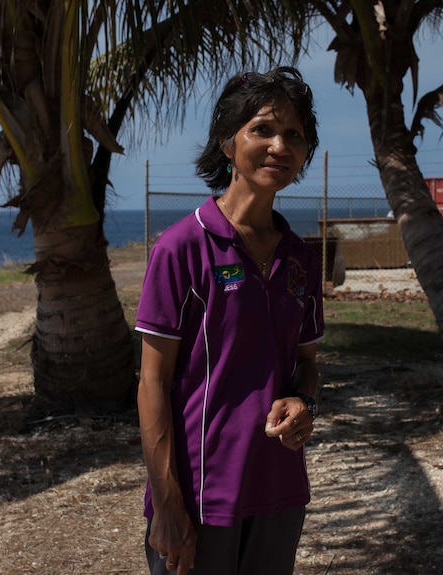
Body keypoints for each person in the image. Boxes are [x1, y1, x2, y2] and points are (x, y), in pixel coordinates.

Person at [134, 66, 324, 575]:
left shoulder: (302, 260)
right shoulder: (181, 248)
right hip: (200, 499)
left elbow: (306, 363)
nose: (279, 146)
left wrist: (303, 401)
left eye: (294, 135)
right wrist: (168, 505)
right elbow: (152, 381)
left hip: (280, 492)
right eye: (263, 129)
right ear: (226, 142)